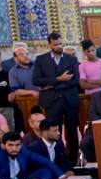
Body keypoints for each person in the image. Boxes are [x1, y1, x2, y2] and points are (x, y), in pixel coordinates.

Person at [32, 32, 80, 166]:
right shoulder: (41, 59)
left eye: (60, 44)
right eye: (55, 44)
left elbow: (75, 80)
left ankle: (73, 161)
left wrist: (52, 85)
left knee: (72, 131)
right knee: (53, 131)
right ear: (49, 45)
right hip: (51, 101)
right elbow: (36, 80)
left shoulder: (71, 59)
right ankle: (58, 160)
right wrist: (59, 79)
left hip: (69, 100)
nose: (58, 47)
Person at [0, 131, 68, 179]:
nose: (14, 148)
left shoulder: (23, 150)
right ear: (3, 146)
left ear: (21, 145)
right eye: (10, 145)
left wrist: (61, 176)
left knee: (46, 171)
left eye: (17, 145)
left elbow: (45, 161)